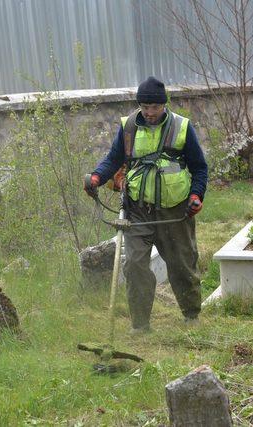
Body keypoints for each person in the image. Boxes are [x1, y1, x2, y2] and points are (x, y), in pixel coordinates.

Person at [84, 76, 208, 333]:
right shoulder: (128, 127)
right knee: (135, 265)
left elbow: (199, 168)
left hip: (175, 210)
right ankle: (140, 325)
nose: (149, 113)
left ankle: (191, 314)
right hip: (137, 210)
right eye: (145, 107)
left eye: (154, 107)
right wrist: (97, 177)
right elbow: (113, 158)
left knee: (181, 264)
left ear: (164, 104)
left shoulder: (182, 127)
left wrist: (197, 196)